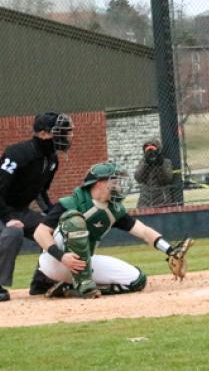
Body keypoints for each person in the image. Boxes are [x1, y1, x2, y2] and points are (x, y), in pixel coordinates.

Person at [32, 161, 193, 298]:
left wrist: (170, 250)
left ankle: (70, 288)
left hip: (83, 265)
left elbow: (143, 231)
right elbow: (40, 233)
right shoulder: (72, 202)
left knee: (137, 280)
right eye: (114, 181)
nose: (118, 186)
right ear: (99, 183)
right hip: (55, 262)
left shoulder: (113, 210)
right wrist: (62, 257)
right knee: (74, 220)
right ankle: (74, 282)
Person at [0, 112, 73, 301]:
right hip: (3, 210)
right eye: (61, 132)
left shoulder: (52, 159)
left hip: (19, 210)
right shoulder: (17, 153)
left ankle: (42, 281)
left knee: (55, 231)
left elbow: (40, 191)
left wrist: (52, 215)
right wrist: (8, 219)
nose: (67, 136)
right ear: (43, 133)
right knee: (12, 233)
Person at [134, 139, 174, 208]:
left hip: (162, 202)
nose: (151, 153)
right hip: (145, 202)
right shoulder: (143, 162)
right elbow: (138, 178)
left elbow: (167, 179)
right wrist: (146, 164)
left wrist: (160, 165)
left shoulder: (166, 162)